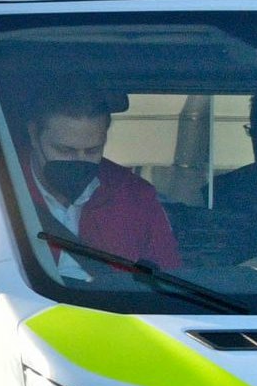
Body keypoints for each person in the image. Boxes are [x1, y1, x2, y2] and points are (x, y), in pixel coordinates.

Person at [22, 91, 183, 271]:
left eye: (92, 150)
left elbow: (169, 276)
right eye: (64, 150)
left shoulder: (135, 197)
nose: (79, 160)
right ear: (34, 136)